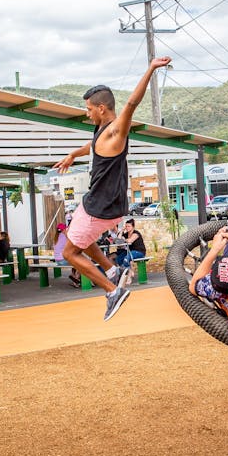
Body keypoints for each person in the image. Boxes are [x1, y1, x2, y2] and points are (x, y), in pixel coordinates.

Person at [53, 56, 172, 321]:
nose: (87, 113)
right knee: (77, 234)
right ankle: (111, 271)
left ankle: (111, 291)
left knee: (70, 252)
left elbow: (131, 103)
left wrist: (151, 68)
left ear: (103, 108)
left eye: (89, 109)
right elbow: (91, 148)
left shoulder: (116, 131)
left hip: (102, 205)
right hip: (100, 202)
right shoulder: (100, 130)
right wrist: (73, 154)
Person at [114, 218, 146, 285]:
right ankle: (128, 271)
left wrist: (124, 239)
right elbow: (118, 240)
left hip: (139, 251)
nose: (127, 228)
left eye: (129, 226)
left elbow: (130, 240)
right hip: (130, 252)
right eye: (126, 226)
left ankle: (129, 276)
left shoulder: (136, 233)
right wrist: (122, 231)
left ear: (133, 227)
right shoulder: (126, 234)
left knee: (126, 259)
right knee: (118, 259)